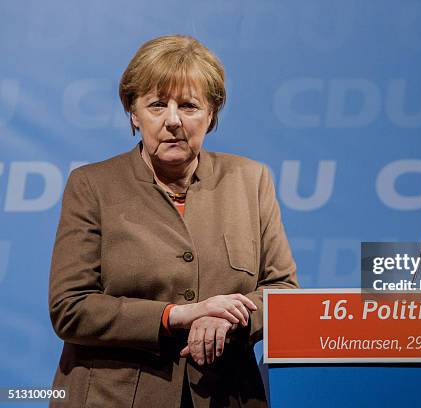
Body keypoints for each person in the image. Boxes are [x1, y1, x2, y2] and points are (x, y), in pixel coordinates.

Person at [48, 34, 298, 408]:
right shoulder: (91, 186)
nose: (173, 121)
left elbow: (282, 291)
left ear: (212, 113)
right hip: (114, 397)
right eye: (157, 105)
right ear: (133, 113)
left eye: (189, 105)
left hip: (226, 395)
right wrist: (177, 315)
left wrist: (230, 320)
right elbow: (70, 308)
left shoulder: (251, 180)